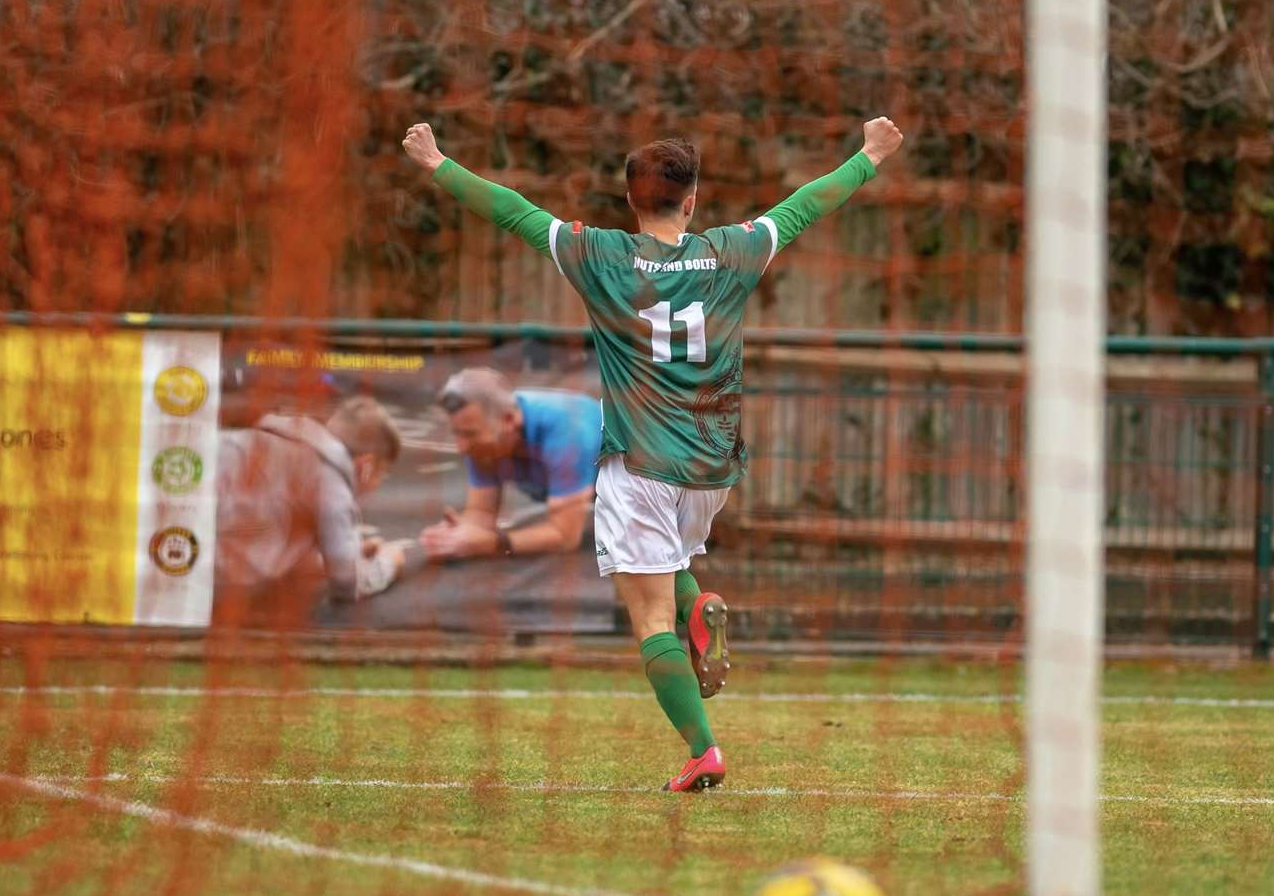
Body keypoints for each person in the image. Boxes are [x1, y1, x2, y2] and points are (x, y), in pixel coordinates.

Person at [403, 115, 904, 791]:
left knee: (645, 616)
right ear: (691, 200)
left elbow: (514, 212)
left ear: (630, 200)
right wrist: (870, 155)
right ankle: (698, 610)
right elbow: (807, 203)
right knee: (675, 566)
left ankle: (703, 750)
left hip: (639, 459)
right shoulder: (733, 249)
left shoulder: (597, 252)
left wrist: (437, 162)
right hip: (713, 464)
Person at [214, 395, 405, 622]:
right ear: (366, 466)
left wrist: (344, 552)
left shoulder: (269, 439)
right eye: (381, 474)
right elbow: (347, 583)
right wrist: (389, 563)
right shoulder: (331, 485)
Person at [419, 366, 600, 562]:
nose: (461, 447)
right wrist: (457, 537)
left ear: (509, 420)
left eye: (469, 434)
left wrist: (494, 543)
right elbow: (482, 512)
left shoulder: (567, 434)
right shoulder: (486, 431)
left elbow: (566, 537)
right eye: (457, 433)